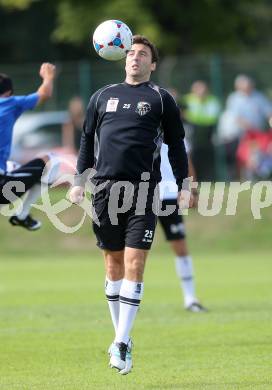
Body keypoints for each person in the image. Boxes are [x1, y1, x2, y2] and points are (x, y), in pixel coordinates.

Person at [70, 35, 190, 375]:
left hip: (143, 190)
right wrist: (79, 182)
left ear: (152, 65)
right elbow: (86, 142)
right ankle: (119, 335)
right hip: (105, 190)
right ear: (123, 60)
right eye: (131, 53)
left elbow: (176, 145)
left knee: (135, 264)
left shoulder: (160, 99)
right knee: (113, 267)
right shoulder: (102, 96)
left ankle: (122, 342)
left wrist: (183, 183)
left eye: (143, 55)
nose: (135, 58)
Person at [0, 63, 59, 230]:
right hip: (2, 188)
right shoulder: (9, 102)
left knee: (13, 166)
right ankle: (22, 215)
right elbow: (44, 94)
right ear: (9, 92)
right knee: (51, 161)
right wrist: (48, 77)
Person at [159, 142, 207, 312]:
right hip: (141, 191)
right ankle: (129, 298)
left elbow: (185, 159)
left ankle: (190, 298)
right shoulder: (135, 120)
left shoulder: (171, 124)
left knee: (180, 245)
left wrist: (192, 191)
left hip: (169, 193)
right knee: (135, 248)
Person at [217, 75, 272, 180]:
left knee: (256, 155)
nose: (248, 88)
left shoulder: (258, 96)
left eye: (249, 86)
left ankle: (256, 176)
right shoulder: (234, 98)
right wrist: (248, 126)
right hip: (240, 134)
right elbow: (236, 117)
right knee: (242, 158)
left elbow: (268, 112)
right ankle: (240, 179)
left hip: (255, 134)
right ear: (238, 87)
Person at [182, 80, 221, 181]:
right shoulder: (187, 100)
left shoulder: (212, 100)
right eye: (198, 89)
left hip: (208, 132)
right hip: (191, 132)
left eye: (203, 89)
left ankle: (209, 178)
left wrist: (195, 119)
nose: (201, 91)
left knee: (208, 156)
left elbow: (212, 117)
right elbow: (183, 115)